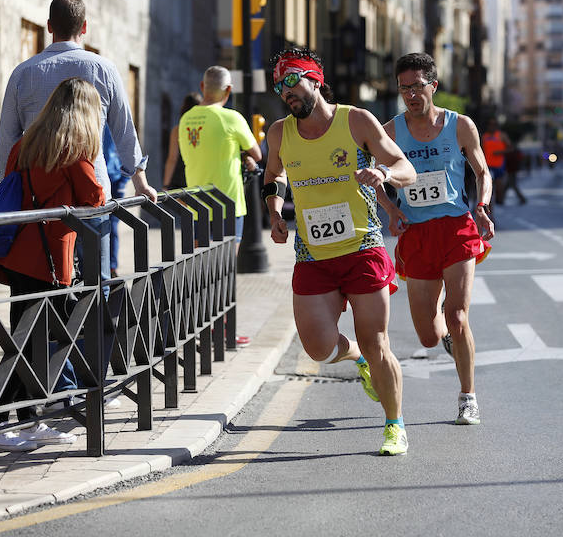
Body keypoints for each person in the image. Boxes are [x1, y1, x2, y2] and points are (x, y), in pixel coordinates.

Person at [262, 47, 417, 455]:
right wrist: (275, 213)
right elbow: (273, 175)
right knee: (316, 347)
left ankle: (394, 424)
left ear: (315, 78)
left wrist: (382, 171)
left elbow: (406, 167)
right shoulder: (280, 132)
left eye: (293, 81)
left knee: (376, 340)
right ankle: (357, 360)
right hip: (313, 254)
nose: (286, 92)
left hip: (362, 248)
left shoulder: (356, 121)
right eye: (280, 85)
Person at [0, 0, 157, 383]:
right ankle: (90, 380)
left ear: (49, 26)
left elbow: (7, 140)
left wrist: (8, 189)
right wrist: (141, 180)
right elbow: (124, 131)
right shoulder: (101, 68)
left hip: (38, 204)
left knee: (42, 292)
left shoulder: (23, 72)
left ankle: (50, 380)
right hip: (91, 198)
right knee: (94, 288)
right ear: (84, 28)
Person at [376, 53, 494, 426]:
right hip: (415, 234)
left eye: (417, 86)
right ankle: (444, 335)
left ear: (433, 86)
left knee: (459, 316)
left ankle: (468, 397)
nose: (411, 94)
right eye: (404, 88)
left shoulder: (459, 126)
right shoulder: (390, 131)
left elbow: (481, 170)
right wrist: (392, 211)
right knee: (428, 337)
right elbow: (371, 176)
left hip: (456, 227)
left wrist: (483, 205)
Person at [0, 78, 106, 451]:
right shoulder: (73, 149)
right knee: (29, 343)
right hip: (51, 259)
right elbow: (95, 196)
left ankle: (28, 420)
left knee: (26, 337)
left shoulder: (25, 143)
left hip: (20, 253)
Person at [176, 66, 262, 251]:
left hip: (197, 205)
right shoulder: (232, 118)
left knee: (201, 269)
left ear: (202, 86)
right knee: (225, 271)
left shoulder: (185, 120)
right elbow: (257, 154)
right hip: (227, 205)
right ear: (228, 89)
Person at [162, 92, 202, 190]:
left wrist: (166, 185)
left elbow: (172, 158)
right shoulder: (205, 129)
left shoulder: (178, 130)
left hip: (180, 179)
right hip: (200, 176)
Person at [103, 125, 129, 278]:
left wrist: (123, 181)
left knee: (112, 225)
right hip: (93, 177)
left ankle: (111, 267)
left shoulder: (112, 116)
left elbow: (126, 145)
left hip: (114, 179)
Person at [481, 117, 511, 215]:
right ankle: (491, 213)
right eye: (490, 124)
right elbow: (479, 150)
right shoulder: (484, 137)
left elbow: (510, 148)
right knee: (490, 191)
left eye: (494, 124)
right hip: (487, 167)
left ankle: (500, 199)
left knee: (499, 188)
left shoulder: (502, 136)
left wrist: (501, 152)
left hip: (499, 166)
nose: (492, 126)